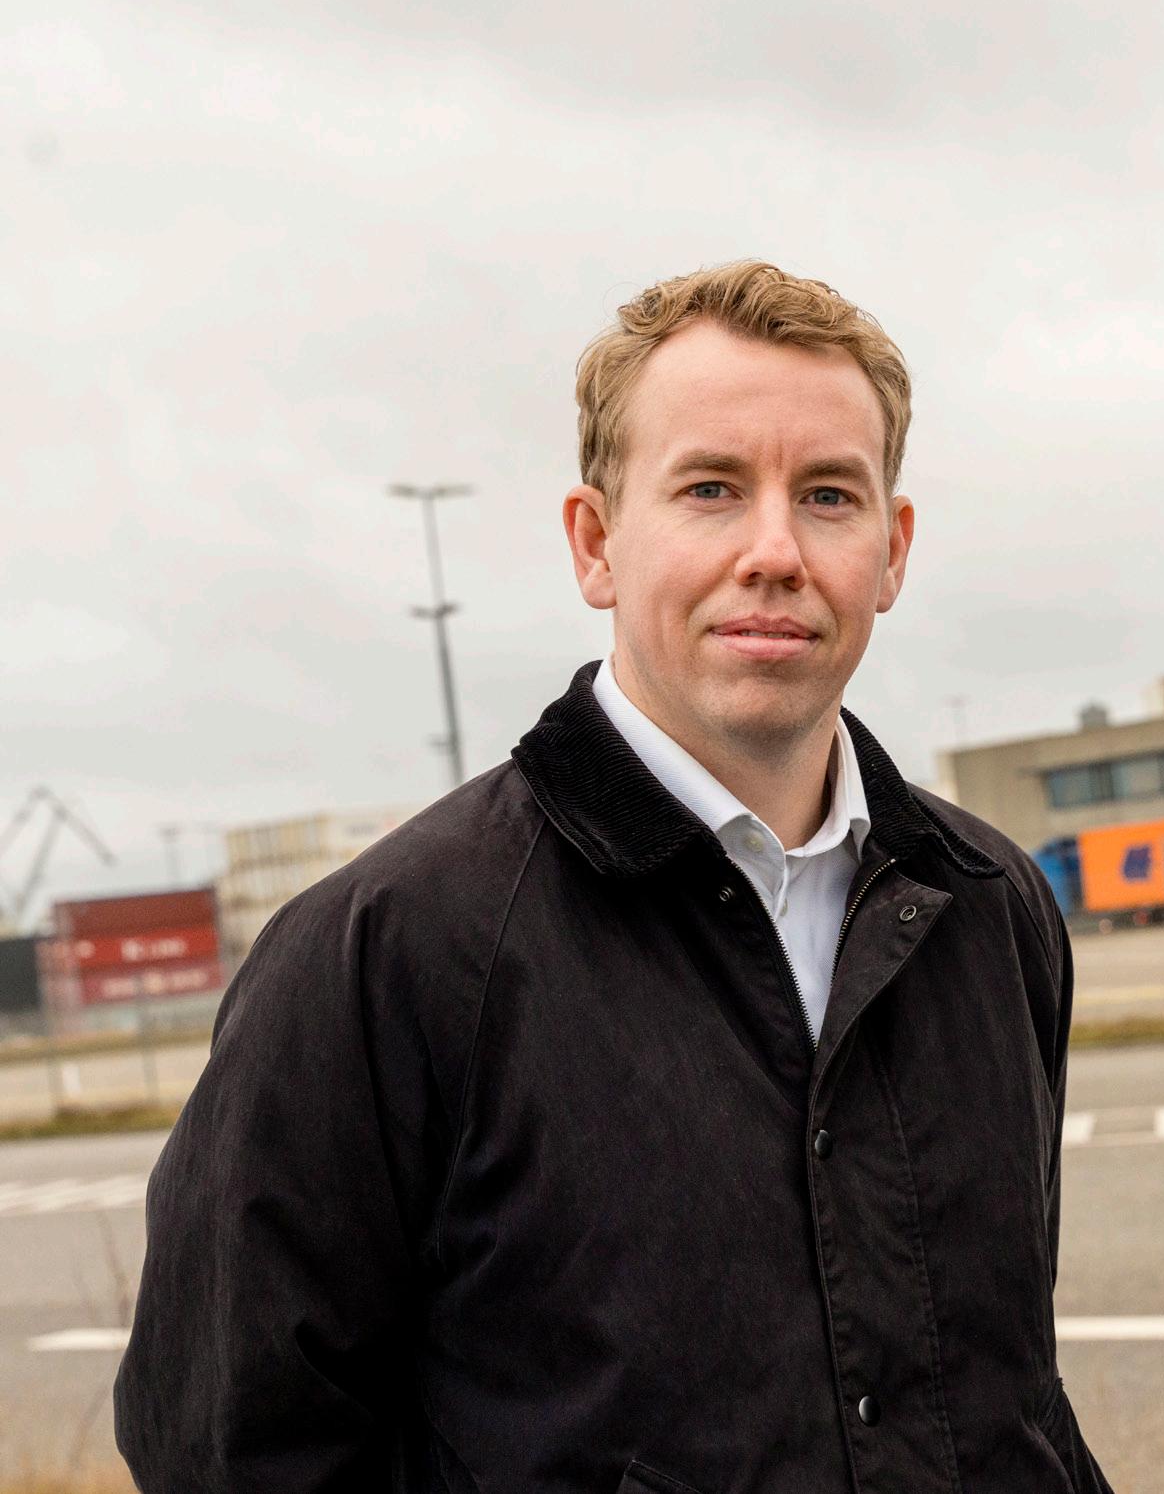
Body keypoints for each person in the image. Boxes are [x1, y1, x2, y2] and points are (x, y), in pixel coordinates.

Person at [118, 261, 1111, 1494]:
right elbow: (229, 1450)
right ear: (596, 544)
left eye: (828, 495)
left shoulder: (992, 908)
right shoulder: (387, 950)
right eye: (710, 489)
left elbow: (1009, 1392)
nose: (775, 551)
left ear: (892, 551)